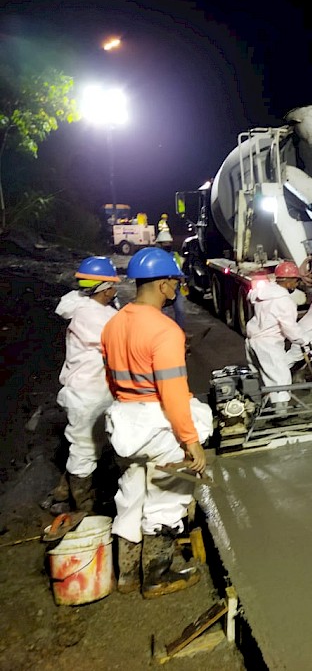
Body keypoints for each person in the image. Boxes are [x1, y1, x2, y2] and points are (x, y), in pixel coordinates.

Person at [101, 247, 213, 598]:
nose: (177, 289)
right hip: (155, 423)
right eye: (176, 284)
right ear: (164, 285)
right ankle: (157, 575)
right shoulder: (165, 331)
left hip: (123, 421)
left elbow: (111, 380)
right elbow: (174, 395)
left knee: (131, 491)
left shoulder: (114, 322)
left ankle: (127, 576)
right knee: (167, 495)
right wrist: (191, 442)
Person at [48, 256, 120, 515]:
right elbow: (123, 343)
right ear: (104, 288)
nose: (116, 289)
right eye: (113, 284)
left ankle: (63, 491)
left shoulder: (80, 305)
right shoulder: (96, 316)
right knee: (86, 448)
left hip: (80, 389)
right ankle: (83, 507)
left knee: (86, 442)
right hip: (89, 392)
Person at [244, 261, 310, 409]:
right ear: (287, 281)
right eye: (295, 280)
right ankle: (280, 415)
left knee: (261, 378)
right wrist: (304, 340)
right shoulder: (284, 301)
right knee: (280, 379)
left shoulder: (263, 294)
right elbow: (290, 328)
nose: (296, 284)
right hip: (268, 344)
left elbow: (251, 296)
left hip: (252, 341)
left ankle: (257, 409)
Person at [156, 230, 187, 331]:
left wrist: (183, 284)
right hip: (162, 287)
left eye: (169, 242)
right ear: (160, 244)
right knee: (162, 313)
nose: (168, 245)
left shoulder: (175, 255)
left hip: (176, 286)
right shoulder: (157, 257)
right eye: (165, 243)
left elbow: (179, 271)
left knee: (180, 311)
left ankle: (180, 332)